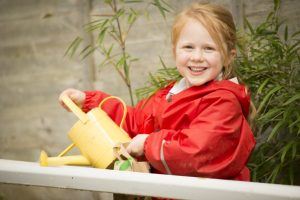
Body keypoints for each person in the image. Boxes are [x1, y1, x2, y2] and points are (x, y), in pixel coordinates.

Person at [59, 3, 256, 181]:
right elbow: (136, 122)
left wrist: (147, 144)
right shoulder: (169, 94)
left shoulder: (223, 102)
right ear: (174, 51)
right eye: (188, 47)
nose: (197, 57)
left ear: (229, 56)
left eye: (209, 49)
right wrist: (90, 101)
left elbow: (196, 152)